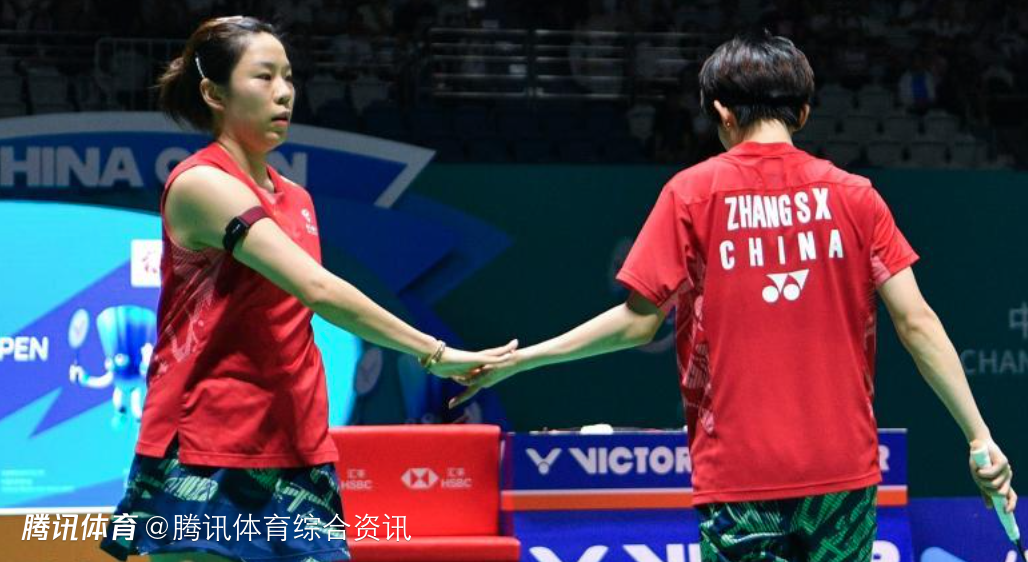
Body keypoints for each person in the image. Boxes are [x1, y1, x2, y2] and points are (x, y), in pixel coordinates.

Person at [452, 31, 1016, 561]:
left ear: (722, 112)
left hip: (742, 478)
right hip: (842, 472)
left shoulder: (691, 194)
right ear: (803, 112)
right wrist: (979, 437)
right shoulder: (856, 197)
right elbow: (917, 324)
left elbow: (637, 322)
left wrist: (524, 359)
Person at [100, 16, 515, 562]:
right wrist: (434, 353)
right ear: (214, 94)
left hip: (296, 441)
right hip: (207, 442)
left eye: (289, 78)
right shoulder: (202, 184)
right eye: (264, 76)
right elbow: (318, 289)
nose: (284, 93)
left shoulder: (296, 198)